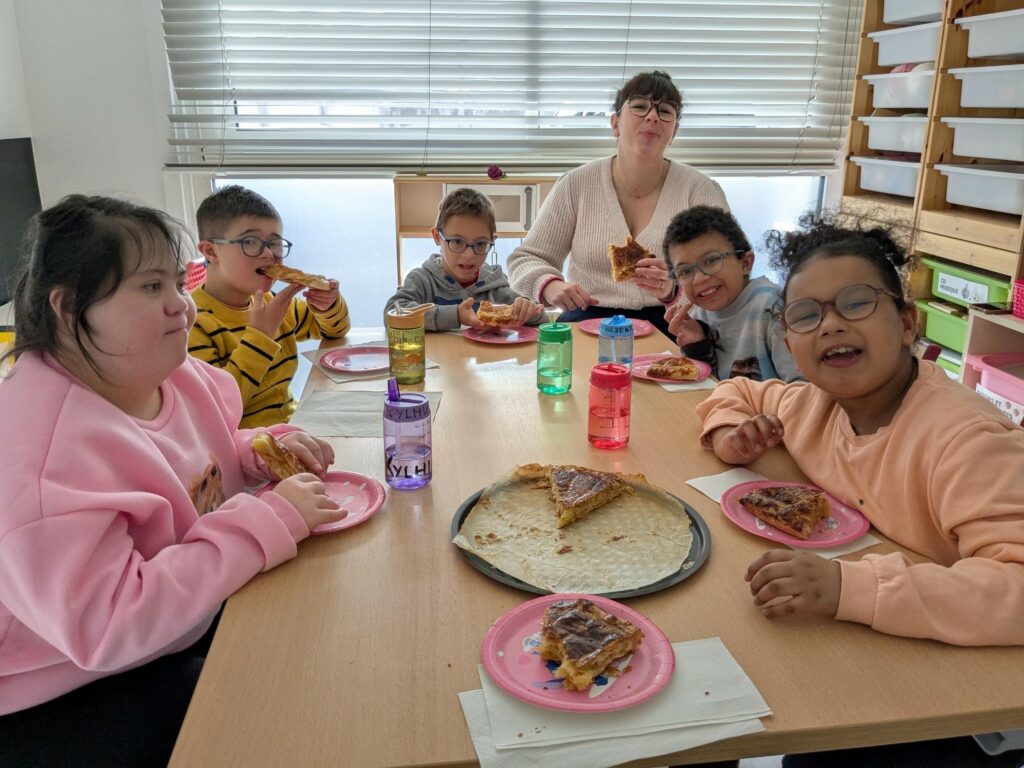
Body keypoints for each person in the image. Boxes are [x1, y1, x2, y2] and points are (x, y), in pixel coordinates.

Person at [0, 195, 347, 767]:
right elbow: (109, 625)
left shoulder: (164, 370)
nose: (180, 307)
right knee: (277, 723)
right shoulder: (43, 457)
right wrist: (270, 516)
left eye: (175, 284)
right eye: (149, 287)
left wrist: (259, 451)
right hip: (68, 687)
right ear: (68, 309)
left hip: (179, 615)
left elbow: (195, 459)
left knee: (320, 637)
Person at [695, 213, 1024, 768]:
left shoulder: (967, 439)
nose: (830, 325)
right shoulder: (812, 404)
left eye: (855, 303)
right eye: (806, 315)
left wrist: (851, 587)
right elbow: (739, 391)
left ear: (907, 322)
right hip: (866, 657)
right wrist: (730, 434)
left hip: (957, 708)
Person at [506, 70, 728, 337]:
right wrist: (550, 286)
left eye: (666, 111)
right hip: (585, 324)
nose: (653, 116)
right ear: (615, 123)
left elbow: (724, 278)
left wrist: (674, 291)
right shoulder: (576, 184)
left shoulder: (700, 191)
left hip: (672, 329)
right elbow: (525, 259)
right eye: (640, 106)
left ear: (674, 131)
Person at [190, 185, 351, 427]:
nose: (268, 254)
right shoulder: (192, 323)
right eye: (251, 242)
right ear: (211, 251)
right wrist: (261, 336)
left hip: (292, 428)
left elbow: (334, 331)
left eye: (275, 243)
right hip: (240, 450)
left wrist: (326, 306)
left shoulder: (271, 303)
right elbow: (218, 410)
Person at [663, 205, 800, 382]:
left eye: (711, 260)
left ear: (745, 263)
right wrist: (697, 344)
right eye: (685, 271)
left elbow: (803, 391)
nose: (698, 279)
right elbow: (710, 383)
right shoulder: (700, 313)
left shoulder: (773, 308)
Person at [385, 187, 544, 331]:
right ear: (437, 237)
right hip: (437, 363)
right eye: (456, 242)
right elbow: (393, 313)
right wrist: (455, 316)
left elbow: (541, 317)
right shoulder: (422, 281)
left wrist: (527, 310)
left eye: (480, 243)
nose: (469, 255)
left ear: (492, 241)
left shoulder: (495, 286)